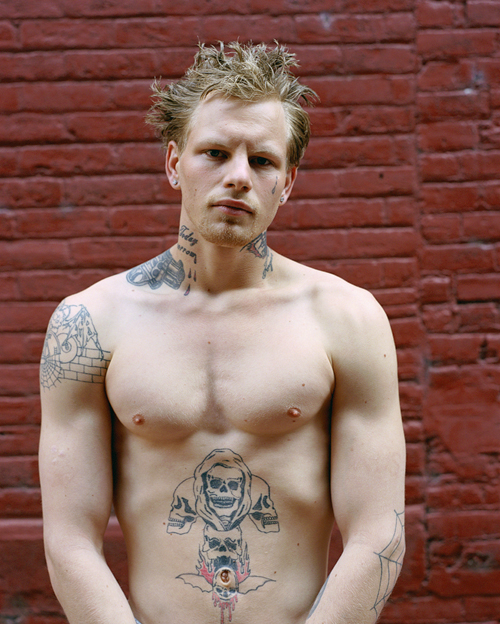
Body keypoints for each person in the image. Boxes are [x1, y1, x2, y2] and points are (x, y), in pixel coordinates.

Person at [39, 42, 406, 624]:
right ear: (173, 163)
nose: (238, 176)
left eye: (262, 161)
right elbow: (69, 539)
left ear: (287, 182)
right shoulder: (90, 323)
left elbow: (378, 532)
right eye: (215, 152)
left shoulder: (348, 319)